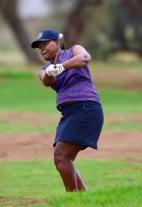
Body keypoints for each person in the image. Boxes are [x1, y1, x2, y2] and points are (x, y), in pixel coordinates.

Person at [31, 29, 104, 192]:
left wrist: (61, 66)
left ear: (57, 43)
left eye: (45, 43)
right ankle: (83, 200)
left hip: (86, 108)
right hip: (69, 114)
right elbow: (47, 81)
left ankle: (73, 200)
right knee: (63, 159)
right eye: (39, 47)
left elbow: (84, 59)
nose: (42, 48)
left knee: (61, 156)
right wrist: (51, 72)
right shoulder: (43, 69)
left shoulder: (74, 51)